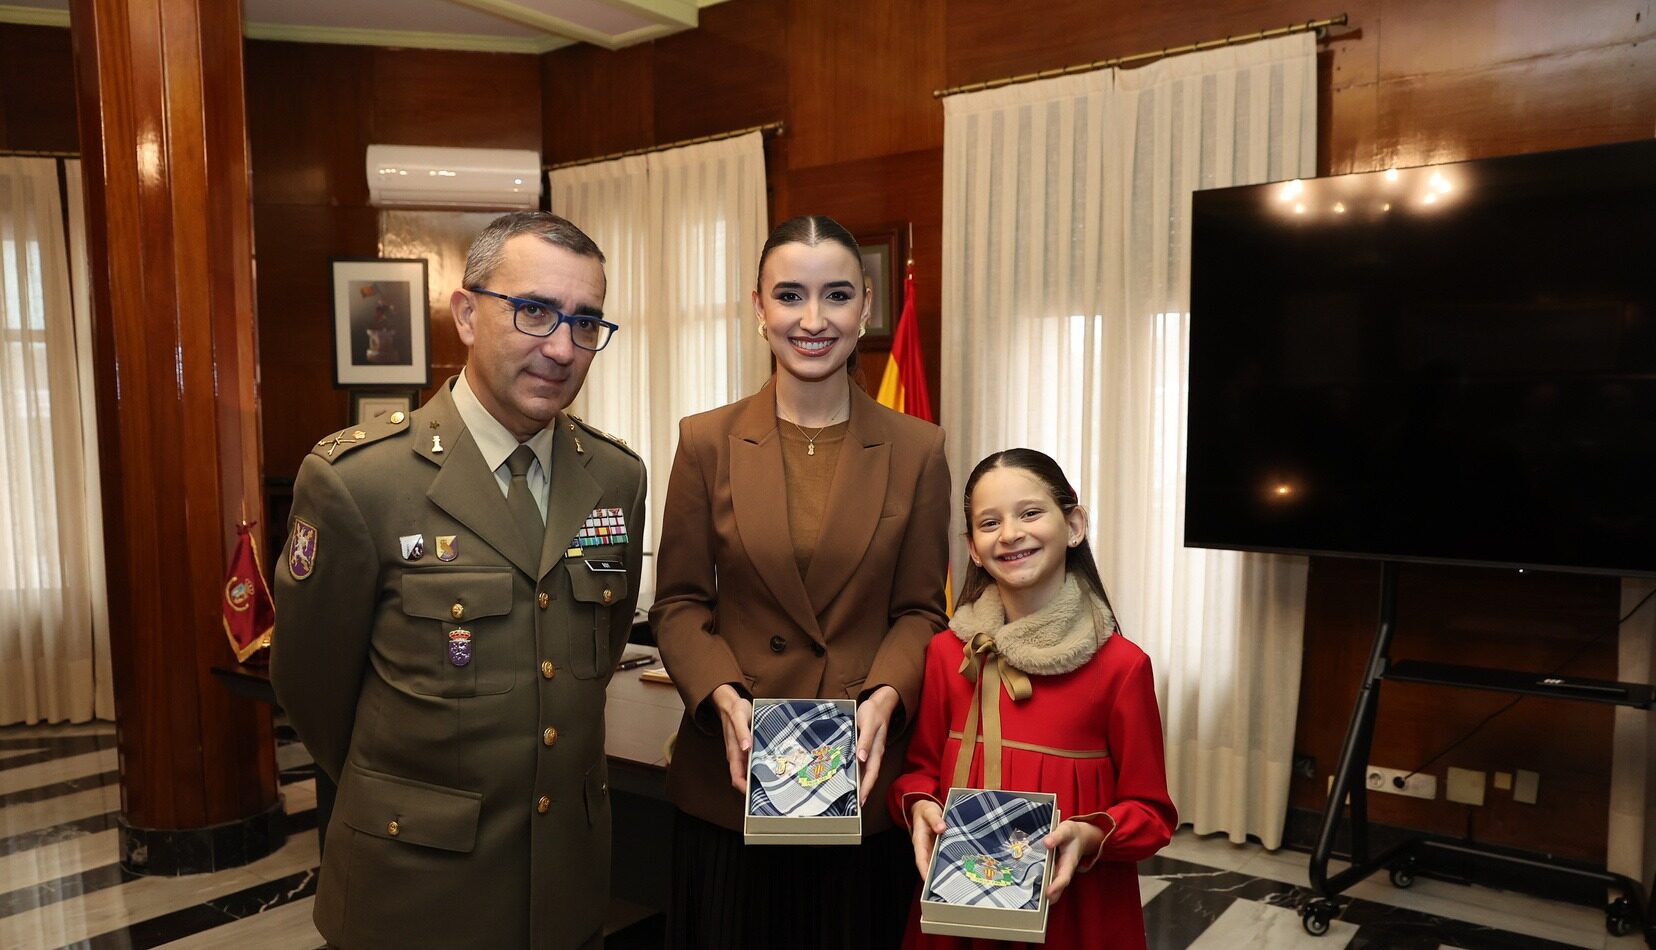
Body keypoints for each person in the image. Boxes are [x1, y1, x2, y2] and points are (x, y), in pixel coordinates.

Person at [272, 211, 646, 950]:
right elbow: (311, 688)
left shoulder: (616, 477)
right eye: (535, 312)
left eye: (585, 323)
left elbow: (592, 659)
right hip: (414, 891)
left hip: (564, 885)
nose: (562, 348)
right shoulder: (360, 480)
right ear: (468, 314)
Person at [651, 214, 951, 948]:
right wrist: (721, 694)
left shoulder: (918, 448)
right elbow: (681, 602)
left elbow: (920, 610)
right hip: (735, 783)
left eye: (836, 296)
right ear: (758, 308)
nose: (813, 320)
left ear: (867, 306)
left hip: (861, 780)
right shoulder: (705, 440)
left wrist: (888, 694)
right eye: (790, 295)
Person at [890, 449, 1177, 949]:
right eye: (989, 522)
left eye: (1029, 513)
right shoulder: (946, 655)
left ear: (1073, 525)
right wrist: (917, 806)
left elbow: (1151, 813)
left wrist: (1089, 836)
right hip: (960, 908)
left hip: (1074, 914)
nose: (1010, 534)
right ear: (974, 550)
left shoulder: (1122, 667)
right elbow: (920, 771)